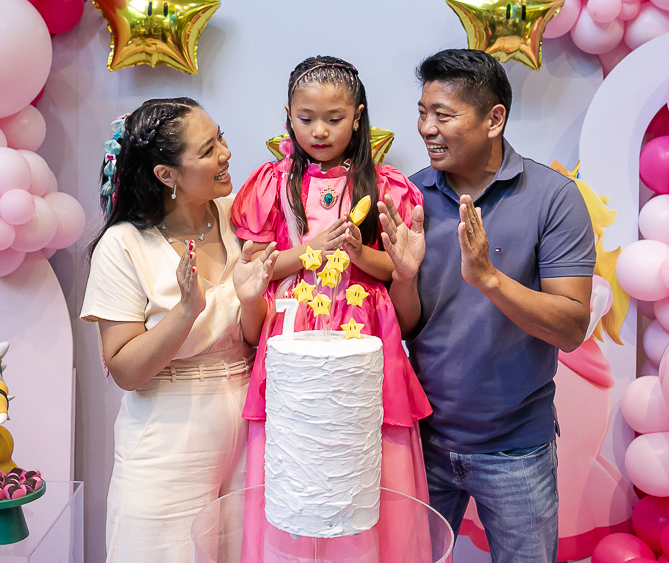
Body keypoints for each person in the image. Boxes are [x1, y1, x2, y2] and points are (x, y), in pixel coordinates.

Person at [379, 49, 596, 563]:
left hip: (517, 447)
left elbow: (570, 327)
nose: (427, 128)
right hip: (425, 438)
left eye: (444, 115)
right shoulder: (411, 194)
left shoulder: (554, 197)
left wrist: (489, 280)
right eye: (423, 112)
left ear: (494, 119)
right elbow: (409, 326)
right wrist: (404, 278)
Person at [80, 98, 277, 563]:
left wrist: (252, 301)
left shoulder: (234, 214)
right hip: (168, 436)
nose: (226, 153)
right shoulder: (123, 244)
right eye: (208, 150)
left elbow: (250, 337)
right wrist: (186, 310)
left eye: (221, 137)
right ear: (167, 175)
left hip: (249, 425)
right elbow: (126, 369)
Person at [231, 55, 433, 508]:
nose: (319, 131)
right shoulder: (271, 184)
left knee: (364, 456)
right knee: (297, 467)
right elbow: (255, 267)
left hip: (367, 330)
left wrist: (364, 255)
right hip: (292, 328)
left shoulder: (387, 187)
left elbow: (395, 271)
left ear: (358, 117)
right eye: (306, 119)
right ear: (288, 117)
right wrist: (310, 251)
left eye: (334, 119)